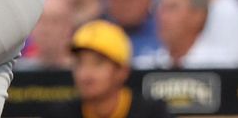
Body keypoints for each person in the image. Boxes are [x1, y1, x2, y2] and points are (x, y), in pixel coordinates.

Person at [41, 20, 172, 118]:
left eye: (98, 63)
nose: (85, 73)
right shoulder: (59, 114)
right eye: (79, 63)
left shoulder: (152, 113)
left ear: (122, 71)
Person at [147, 0, 220, 68]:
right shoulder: (146, 66)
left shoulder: (221, 66)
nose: (161, 16)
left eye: (171, 8)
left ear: (198, 16)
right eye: (159, 7)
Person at [17, 0, 74, 70]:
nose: (46, 29)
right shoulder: (19, 71)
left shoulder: (78, 73)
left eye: (54, 21)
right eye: (40, 21)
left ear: (68, 27)